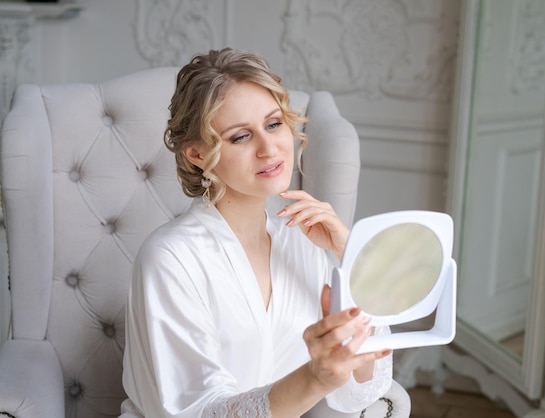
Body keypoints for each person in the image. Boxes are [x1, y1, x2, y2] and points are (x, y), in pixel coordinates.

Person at [120, 47, 392, 418]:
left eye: (274, 124)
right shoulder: (170, 258)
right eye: (240, 137)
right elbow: (200, 412)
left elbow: (360, 392)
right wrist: (315, 377)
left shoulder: (303, 244)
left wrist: (350, 253)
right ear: (197, 154)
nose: (269, 149)